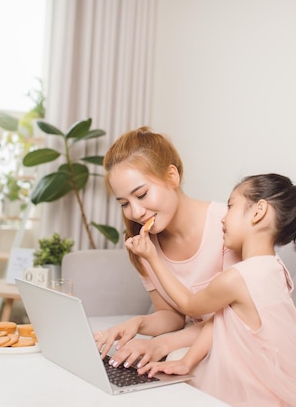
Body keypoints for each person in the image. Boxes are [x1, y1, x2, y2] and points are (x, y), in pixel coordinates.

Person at [127, 173, 296, 407]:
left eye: (230, 206)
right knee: (178, 366)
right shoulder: (276, 269)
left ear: (258, 211)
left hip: (252, 377)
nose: (223, 217)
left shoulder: (236, 279)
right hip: (278, 369)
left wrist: (153, 258)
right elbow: (221, 320)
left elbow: (189, 305)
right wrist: (186, 361)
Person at [95, 126, 241, 369]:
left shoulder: (227, 225)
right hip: (198, 342)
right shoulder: (143, 247)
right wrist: (138, 323)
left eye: (141, 195)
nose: (136, 212)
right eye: (124, 204)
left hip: (239, 339)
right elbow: (172, 316)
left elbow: (233, 319)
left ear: (172, 177)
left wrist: (161, 345)